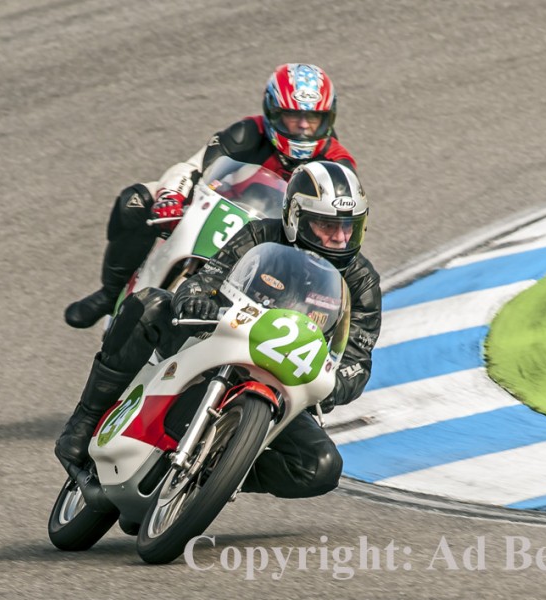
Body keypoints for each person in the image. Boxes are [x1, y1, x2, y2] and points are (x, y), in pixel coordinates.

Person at [55, 161, 381, 500]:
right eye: (328, 226)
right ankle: (84, 420)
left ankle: (220, 472)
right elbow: (207, 277)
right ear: (296, 217)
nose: (341, 238)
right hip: (219, 341)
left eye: (350, 227)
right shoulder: (260, 234)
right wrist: (197, 299)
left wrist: (335, 382)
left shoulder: (363, 282)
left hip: (285, 382)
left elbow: (358, 357)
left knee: (321, 467)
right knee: (148, 305)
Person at [64, 63, 358, 329]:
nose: (304, 127)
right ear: (273, 112)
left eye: (313, 118)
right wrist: (171, 197)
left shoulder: (337, 164)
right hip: (223, 209)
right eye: (294, 116)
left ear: (328, 119)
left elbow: (339, 220)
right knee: (136, 200)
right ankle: (110, 292)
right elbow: (194, 167)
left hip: (280, 239)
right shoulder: (248, 132)